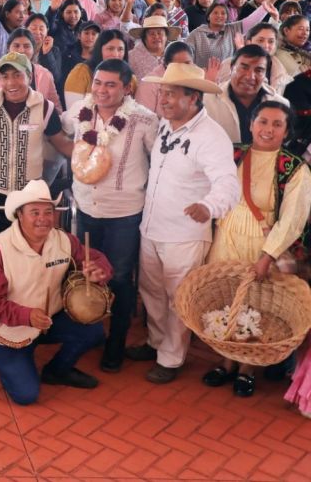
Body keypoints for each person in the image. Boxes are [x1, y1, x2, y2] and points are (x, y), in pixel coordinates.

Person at [129, 62, 240, 384]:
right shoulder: (165, 124)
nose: (162, 99)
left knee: (179, 298)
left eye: (171, 94)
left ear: (193, 98)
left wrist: (209, 206)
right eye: (162, 92)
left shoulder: (211, 136)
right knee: (151, 290)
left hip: (184, 234)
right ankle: (155, 341)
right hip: (151, 227)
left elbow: (228, 184)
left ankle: (171, 357)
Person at [202, 101, 311, 397]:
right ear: (251, 124)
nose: (268, 129)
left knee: (255, 304)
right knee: (226, 299)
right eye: (263, 122)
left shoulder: (293, 167)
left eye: (277, 125)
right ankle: (225, 362)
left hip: (260, 243)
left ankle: (248, 368)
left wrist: (268, 256)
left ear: (286, 132)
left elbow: (293, 219)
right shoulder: (234, 153)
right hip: (225, 235)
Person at [0, 180, 112, 405]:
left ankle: (57, 371)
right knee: (26, 395)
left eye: (49, 212)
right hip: (10, 327)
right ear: (20, 214)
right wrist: (27, 316)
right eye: (34, 212)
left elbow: (95, 258)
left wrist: (99, 271)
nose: (43, 218)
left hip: (49, 318)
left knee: (94, 332)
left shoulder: (64, 240)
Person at [61, 60, 158, 371]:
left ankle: (116, 342)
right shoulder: (79, 114)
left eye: (110, 84)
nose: (101, 90)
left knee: (118, 277)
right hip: (87, 208)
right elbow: (61, 138)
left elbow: (158, 162)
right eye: (98, 83)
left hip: (125, 213)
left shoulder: (144, 120)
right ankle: (87, 333)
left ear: (127, 87)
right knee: (85, 271)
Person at [0, 52, 75, 234]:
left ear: (30, 76)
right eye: (5, 76)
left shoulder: (44, 108)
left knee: (28, 246)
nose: (11, 83)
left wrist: (89, 155)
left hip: (29, 193)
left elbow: (61, 143)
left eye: (17, 75)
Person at [204, 45, 287, 144]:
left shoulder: (280, 105)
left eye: (259, 70)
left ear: (265, 74)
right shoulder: (207, 102)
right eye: (244, 68)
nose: (250, 77)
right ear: (231, 68)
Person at [0, 29, 62, 116]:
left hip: (36, 128)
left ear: (34, 50)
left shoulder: (44, 74)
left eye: (27, 46)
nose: (21, 50)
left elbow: (55, 108)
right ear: (8, 48)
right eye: (16, 46)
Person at [62, 29, 130, 109]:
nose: (115, 54)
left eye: (120, 49)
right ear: (99, 50)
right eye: (110, 49)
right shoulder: (81, 73)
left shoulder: (130, 78)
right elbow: (73, 112)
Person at [128, 15, 180, 82]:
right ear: (144, 38)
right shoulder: (132, 57)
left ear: (166, 37)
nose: (156, 36)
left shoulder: (176, 55)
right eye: (152, 34)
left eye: (160, 33)